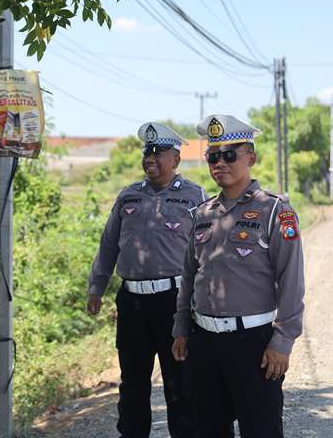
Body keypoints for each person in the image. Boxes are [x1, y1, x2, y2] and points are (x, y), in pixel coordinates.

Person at [171, 115, 305, 438]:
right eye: (213, 156)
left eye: (230, 154)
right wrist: (181, 326)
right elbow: (190, 275)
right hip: (204, 341)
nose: (220, 163)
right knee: (208, 428)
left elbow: (291, 281)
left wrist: (282, 341)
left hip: (254, 346)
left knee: (261, 429)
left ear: (251, 157)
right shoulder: (201, 214)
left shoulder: (275, 211)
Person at [87, 122, 206, 438]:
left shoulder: (195, 197)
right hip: (132, 302)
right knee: (133, 382)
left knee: (180, 380)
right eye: (147, 151)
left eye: (159, 152)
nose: (150, 157)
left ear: (176, 159)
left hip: (175, 301)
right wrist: (96, 287)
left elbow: (207, 251)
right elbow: (109, 243)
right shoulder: (129, 195)